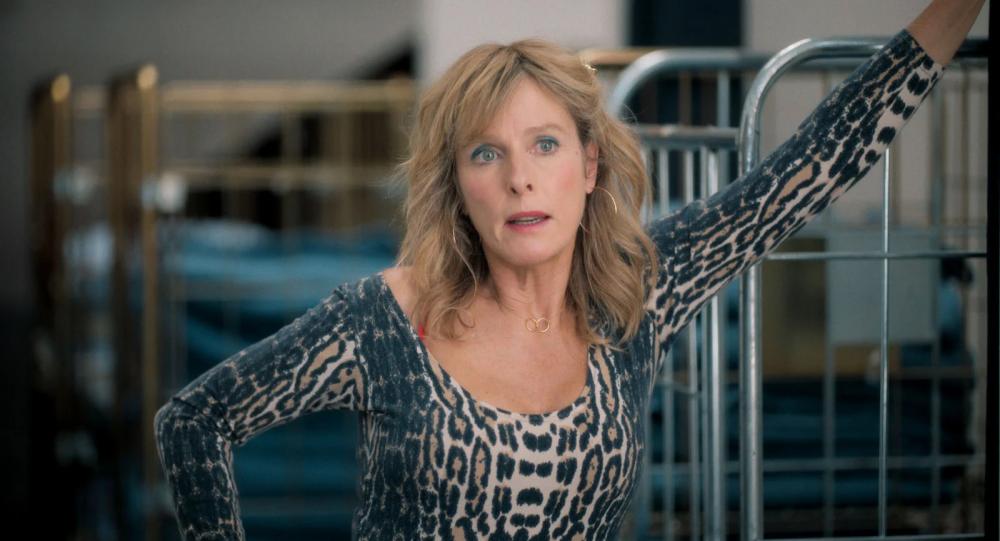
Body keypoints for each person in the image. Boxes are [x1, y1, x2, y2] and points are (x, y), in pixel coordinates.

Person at [154, 0, 985, 539]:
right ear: (458, 186)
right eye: (487, 153)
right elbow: (194, 421)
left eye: (544, 145)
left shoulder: (637, 294)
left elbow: (809, 170)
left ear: (589, 166)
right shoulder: (384, 319)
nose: (520, 178)